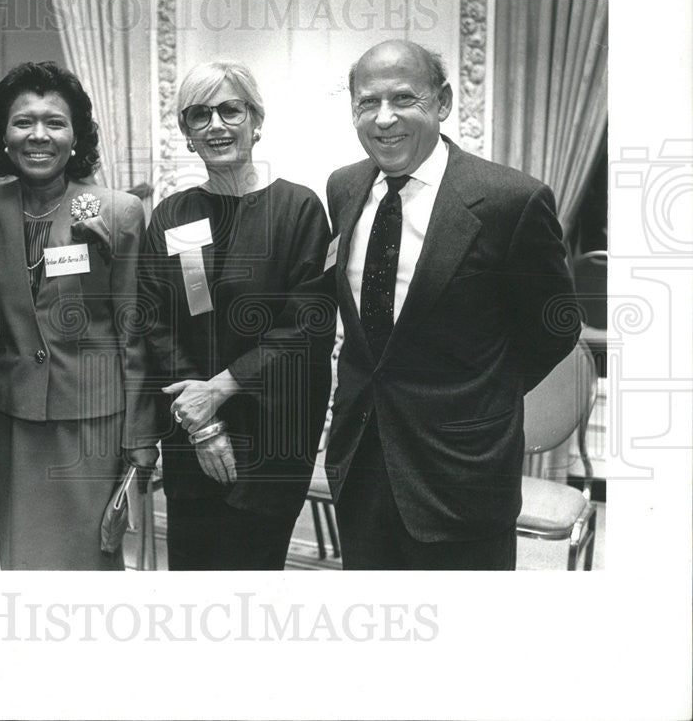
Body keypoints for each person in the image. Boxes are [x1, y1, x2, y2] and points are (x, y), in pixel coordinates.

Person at [325, 39, 580, 570]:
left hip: (461, 472)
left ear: (441, 102)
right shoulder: (344, 186)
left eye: (403, 99)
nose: (384, 118)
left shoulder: (511, 200)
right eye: (367, 102)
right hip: (362, 460)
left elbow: (555, 326)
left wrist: (481, 395)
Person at [139, 60, 336, 570]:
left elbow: (307, 327)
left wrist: (220, 389)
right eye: (199, 115)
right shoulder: (172, 215)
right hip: (191, 430)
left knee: (254, 577)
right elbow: (154, 320)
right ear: (186, 134)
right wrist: (201, 421)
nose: (217, 125)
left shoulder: (299, 209)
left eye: (231, 110)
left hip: (274, 432)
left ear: (256, 120)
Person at [0, 61, 157, 570]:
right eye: (23, 122)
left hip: (93, 423)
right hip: (13, 418)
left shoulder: (109, 209)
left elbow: (134, 331)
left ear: (76, 135)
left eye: (55, 122)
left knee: (89, 561)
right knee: (22, 559)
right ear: (3, 135)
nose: (39, 135)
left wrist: (140, 435)